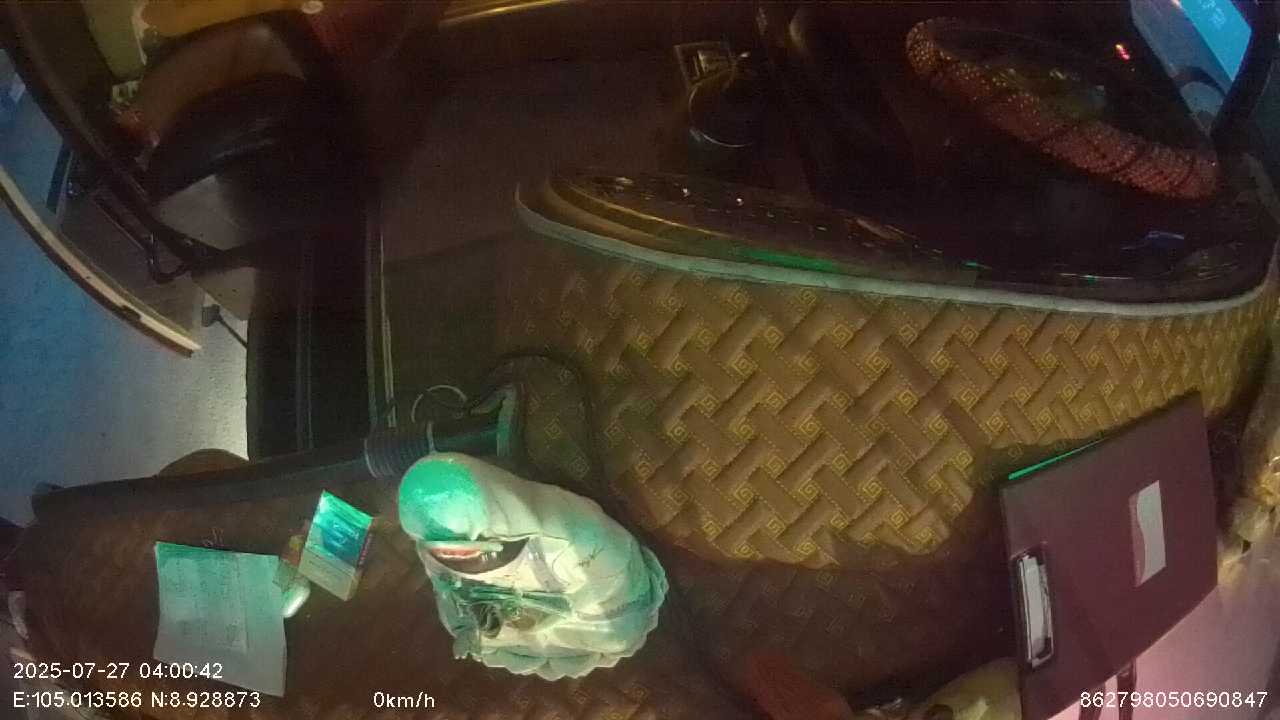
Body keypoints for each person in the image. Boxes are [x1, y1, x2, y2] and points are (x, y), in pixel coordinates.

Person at [398, 453, 668, 680]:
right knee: (487, 637)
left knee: (616, 633)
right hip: (506, 611)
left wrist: (558, 608)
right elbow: (447, 586)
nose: (455, 558)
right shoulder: (433, 550)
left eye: (464, 550)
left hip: (580, 604)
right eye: (442, 552)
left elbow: (610, 577)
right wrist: (470, 623)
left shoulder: (573, 533)